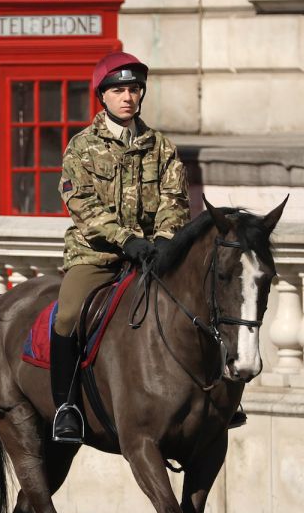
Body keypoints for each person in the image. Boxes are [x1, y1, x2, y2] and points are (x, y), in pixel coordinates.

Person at [50, 51, 199, 443]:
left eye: (133, 89)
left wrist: (165, 241)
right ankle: (66, 407)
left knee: (201, 305)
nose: (127, 97)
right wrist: (124, 239)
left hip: (154, 254)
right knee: (66, 316)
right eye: (118, 90)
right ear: (102, 96)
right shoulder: (81, 147)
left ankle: (216, 398)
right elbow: (79, 202)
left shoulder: (161, 147)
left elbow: (175, 200)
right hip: (97, 255)